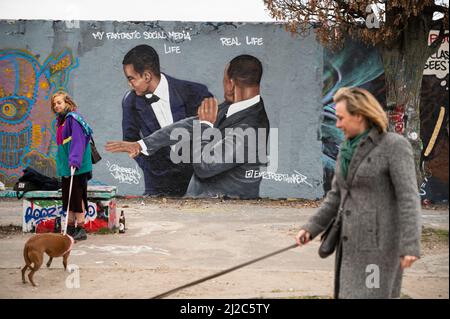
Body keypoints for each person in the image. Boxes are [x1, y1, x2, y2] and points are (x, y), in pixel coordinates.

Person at [295, 87, 421, 299]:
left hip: (379, 248)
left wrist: (410, 245)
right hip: (349, 245)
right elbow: (336, 196)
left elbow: (408, 197)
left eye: (341, 118)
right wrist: (311, 228)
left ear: (359, 115)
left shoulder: (394, 145)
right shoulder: (346, 149)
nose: (337, 124)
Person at [106, 54, 270, 199]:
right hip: (201, 203)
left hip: (225, 211)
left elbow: (205, 166)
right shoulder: (231, 107)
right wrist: (142, 144)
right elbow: (189, 125)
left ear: (231, 84)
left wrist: (205, 126)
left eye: (224, 80)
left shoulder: (252, 129)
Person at [121, 44, 212, 196]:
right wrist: (151, 167)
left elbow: (211, 132)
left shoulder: (195, 92)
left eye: (131, 78)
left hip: (195, 184)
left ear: (147, 76)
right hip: (157, 187)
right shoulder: (130, 101)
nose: (129, 84)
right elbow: (130, 140)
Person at [51, 91, 92, 241]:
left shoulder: (73, 119)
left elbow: (78, 141)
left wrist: (74, 161)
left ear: (67, 103)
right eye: (54, 104)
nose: (56, 106)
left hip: (76, 165)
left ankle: (81, 227)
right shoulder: (62, 121)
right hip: (67, 166)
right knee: (68, 195)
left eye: (59, 103)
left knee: (76, 195)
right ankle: (70, 226)